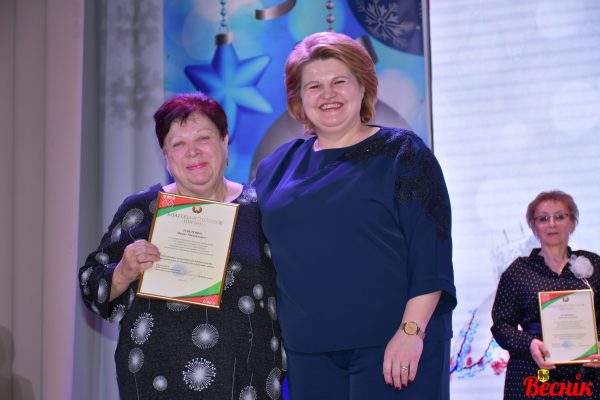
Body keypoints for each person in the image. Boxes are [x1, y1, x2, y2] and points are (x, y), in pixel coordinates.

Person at [252, 31, 456, 399]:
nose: (327, 94)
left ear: (363, 87)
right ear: (299, 100)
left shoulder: (403, 154)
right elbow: (243, 242)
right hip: (308, 355)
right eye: (314, 86)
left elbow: (431, 255)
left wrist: (411, 332)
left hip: (395, 347)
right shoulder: (276, 167)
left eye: (339, 81)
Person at [79, 93, 284, 399]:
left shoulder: (261, 209)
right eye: (178, 144)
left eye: (204, 138)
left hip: (246, 381)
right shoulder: (140, 210)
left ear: (225, 141)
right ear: (166, 155)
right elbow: (90, 285)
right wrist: (123, 272)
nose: (193, 152)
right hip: (156, 380)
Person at [491, 190, 600, 399]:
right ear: (534, 227)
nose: (552, 224)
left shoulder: (594, 264)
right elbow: (501, 325)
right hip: (533, 374)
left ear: (572, 223)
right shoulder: (518, 271)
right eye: (543, 218)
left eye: (560, 216)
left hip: (586, 376)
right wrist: (530, 344)